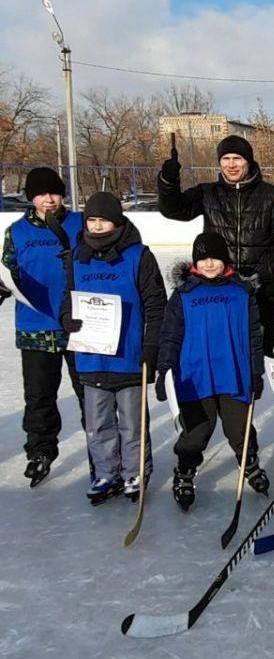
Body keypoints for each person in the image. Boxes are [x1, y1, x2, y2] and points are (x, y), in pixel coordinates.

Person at [60, 192, 166, 503]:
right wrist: (67, 318)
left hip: (129, 358)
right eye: (91, 220)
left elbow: (156, 305)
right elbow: (68, 298)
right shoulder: (76, 257)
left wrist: (151, 347)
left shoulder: (138, 256)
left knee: (132, 425)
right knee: (97, 424)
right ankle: (106, 473)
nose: (96, 226)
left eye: (103, 220)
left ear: (117, 221)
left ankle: (134, 472)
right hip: (91, 357)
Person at [156, 233, 269, 511]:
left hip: (234, 375)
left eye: (214, 258)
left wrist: (256, 373)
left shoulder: (241, 292)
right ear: (195, 261)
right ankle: (184, 471)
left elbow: (255, 335)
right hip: (195, 378)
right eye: (202, 258)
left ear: (225, 259)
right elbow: (170, 336)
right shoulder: (184, 295)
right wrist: (165, 372)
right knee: (196, 433)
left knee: (240, 430)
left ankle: (250, 464)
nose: (208, 263)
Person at [157, 134, 274, 353]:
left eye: (237, 158)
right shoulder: (208, 193)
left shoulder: (270, 196)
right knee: (223, 350)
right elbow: (174, 209)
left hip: (262, 294)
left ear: (248, 162)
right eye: (226, 159)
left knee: (259, 355)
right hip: (219, 288)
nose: (231, 164)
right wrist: (168, 181)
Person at [1, 167, 86, 487]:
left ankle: (101, 445)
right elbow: (8, 271)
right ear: (30, 197)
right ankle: (40, 451)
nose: (49, 199)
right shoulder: (17, 232)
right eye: (41, 194)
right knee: (39, 397)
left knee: (90, 392)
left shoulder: (80, 224)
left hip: (80, 326)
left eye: (54, 193)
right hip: (35, 327)